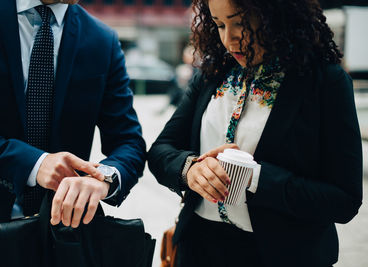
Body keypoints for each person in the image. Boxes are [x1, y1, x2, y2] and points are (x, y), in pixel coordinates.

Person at [148, 0, 363, 266]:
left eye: (239, 22)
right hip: (198, 248)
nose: (229, 38)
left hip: (284, 255)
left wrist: (255, 177)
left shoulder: (325, 82)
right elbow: (161, 151)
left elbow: (344, 200)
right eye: (219, 24)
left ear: (276, 14)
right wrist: (189, 169)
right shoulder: (212, 72)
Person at [0, 0, 146, 265]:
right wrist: (33, 163)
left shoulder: (102, 40)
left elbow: (128, 141)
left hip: (58, 240)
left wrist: (102, 178)